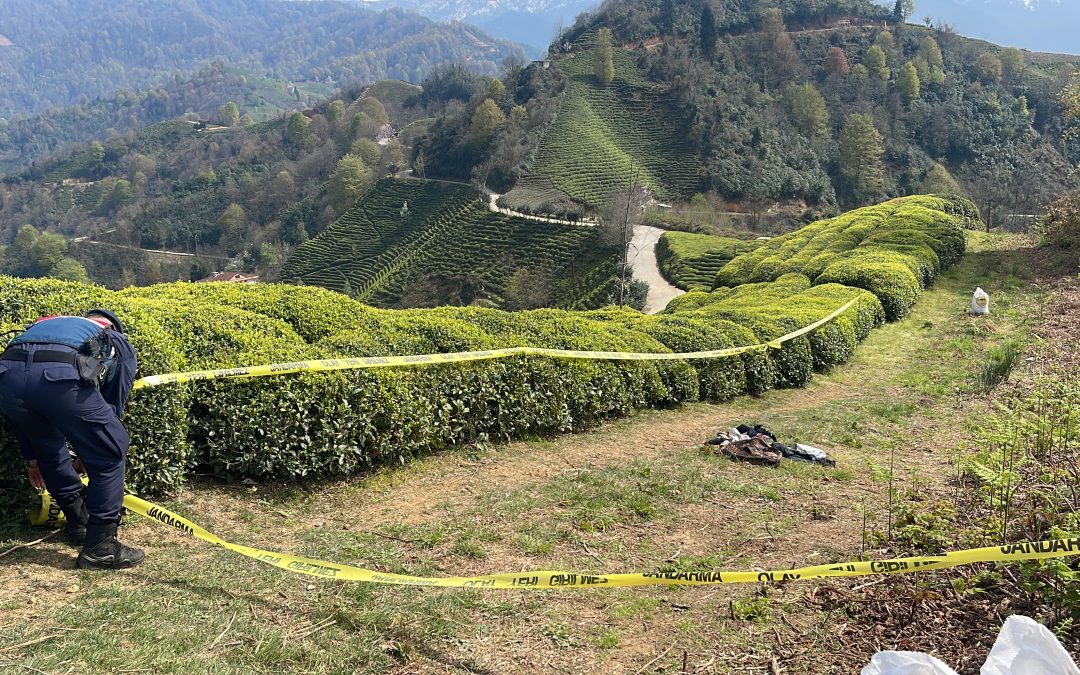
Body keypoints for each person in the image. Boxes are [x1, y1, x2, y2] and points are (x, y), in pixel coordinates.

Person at [0, 309, 143, 569]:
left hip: (6, 375)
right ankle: (101, 548)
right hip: (58, 377)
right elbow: (113, 402)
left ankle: (79, 522)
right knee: (111, 452)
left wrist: (32, 460)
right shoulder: (115, 340)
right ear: (112, 327)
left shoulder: (48, 326)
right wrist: (95, 448)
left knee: (48, 448)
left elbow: (24, 397)